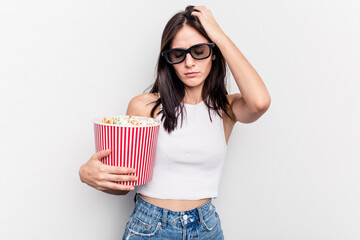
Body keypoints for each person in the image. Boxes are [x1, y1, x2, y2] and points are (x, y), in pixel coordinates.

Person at [79, 5, 271, 239]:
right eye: (179, 54)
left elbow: (260, 102)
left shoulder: (225, 109)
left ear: (214, 53)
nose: (189, 63)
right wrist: (87, 174)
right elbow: (124, 180)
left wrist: (218, 35)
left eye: (199, 50)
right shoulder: (144, 106)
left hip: (206, 227)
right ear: (168, 60)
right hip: (151, 227)